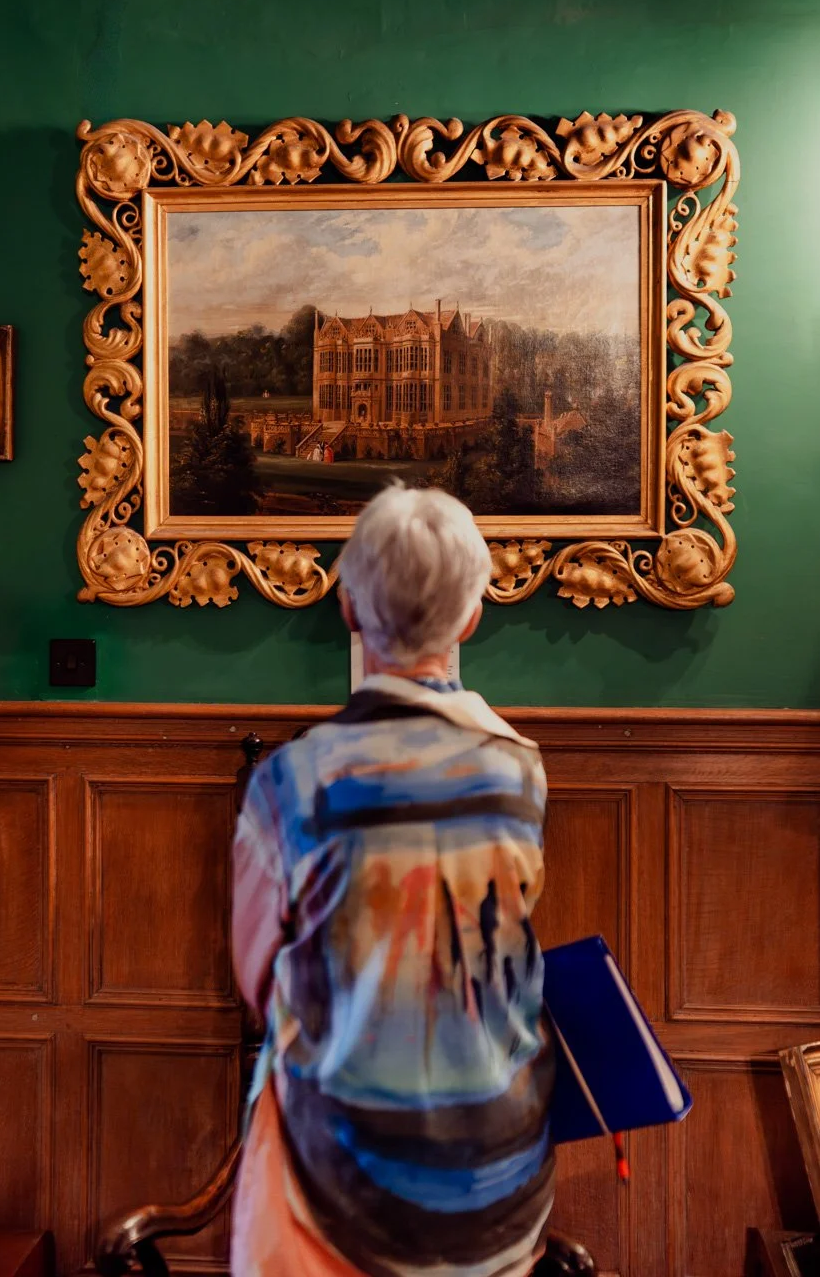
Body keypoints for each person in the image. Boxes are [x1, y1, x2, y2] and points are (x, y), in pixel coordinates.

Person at [231, 482, 555, 1277]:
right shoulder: (520, 773)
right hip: (501, 1177)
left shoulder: (292, 779)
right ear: (472, 616)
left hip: (340, 1184)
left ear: (348, 609)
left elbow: (254, 980)